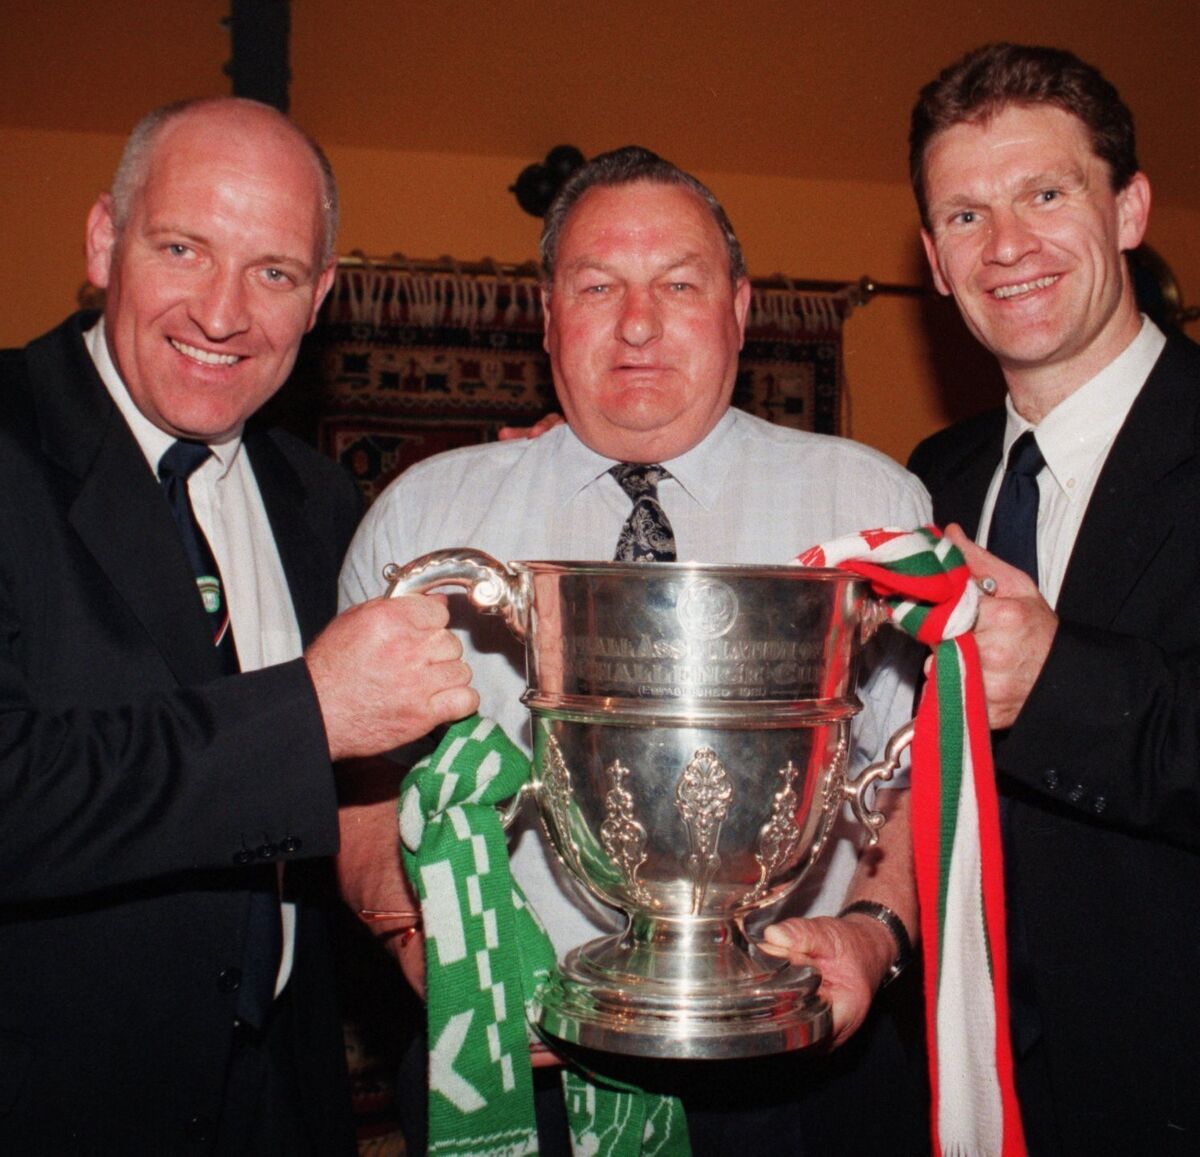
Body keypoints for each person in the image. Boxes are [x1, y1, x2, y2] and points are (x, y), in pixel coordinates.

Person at [339, 146, 932, 1155]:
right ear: (547, 316)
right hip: (512, 1067)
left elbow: (925, 769)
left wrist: (873, 935)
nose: (640, 322)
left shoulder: (871, 510)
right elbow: (359, 783)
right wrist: (425, 943)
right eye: (598, 284)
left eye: (680, 284)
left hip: (797, 1070)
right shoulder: (421, 516)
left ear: (740, 307)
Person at [0, 97, 478, 1155]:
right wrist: (307, 713)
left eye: (273, 272)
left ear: (321, 297)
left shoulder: (316, 500)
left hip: (284, 1099)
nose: (223, 314)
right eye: (182, 248)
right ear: (102, 241)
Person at [907, 43, 1200, 1155]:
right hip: (956, 1079)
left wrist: (1057, 678)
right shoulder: (926, 475)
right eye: (967, 216)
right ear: (934, 261)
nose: (1009, 246)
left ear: (1128, 209)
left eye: (1045, 193)